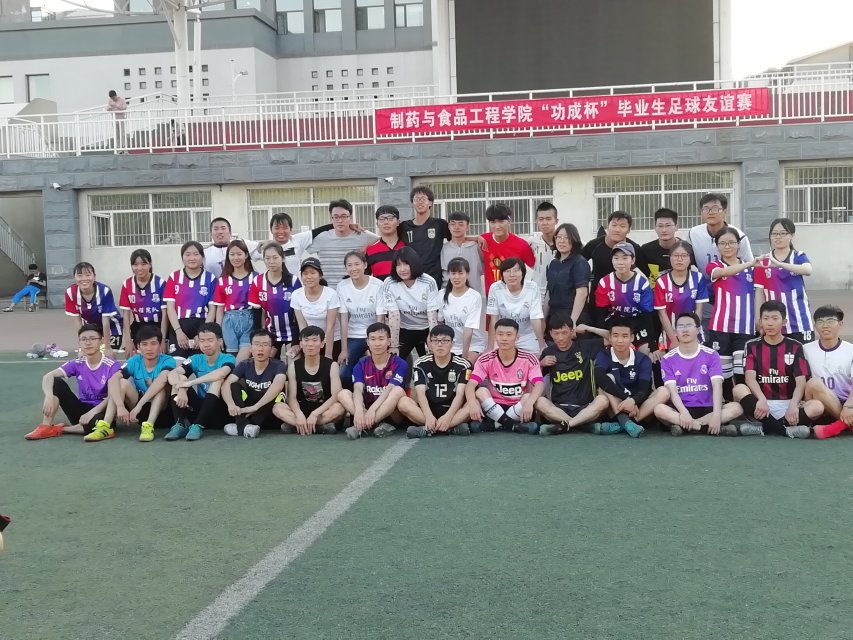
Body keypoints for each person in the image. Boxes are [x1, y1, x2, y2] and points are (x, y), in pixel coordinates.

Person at [732, 300, 821, 438]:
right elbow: (750, 378)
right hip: (761, 404)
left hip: (788, 403)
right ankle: (784, 430)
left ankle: (764, 428)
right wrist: (761, 399)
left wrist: (793, 405)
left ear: (784, 322)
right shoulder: (751, 346)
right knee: (738, 389)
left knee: (817, 406)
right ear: (760, 322)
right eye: (766, 318)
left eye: (775, 318)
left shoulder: (795, 346)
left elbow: (801, 382)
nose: (770, 323)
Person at [651, 312, 748, 436]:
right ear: (675, 332)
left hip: (708, 409)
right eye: (681, 326)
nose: (685, 329)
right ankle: (703, 428)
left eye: (689, 325)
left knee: (736, 408)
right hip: (681, 409)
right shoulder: (667, 358)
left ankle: (685, 427)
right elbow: (672, 390)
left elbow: (717, 386)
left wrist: (716, 415)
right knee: (659, 409)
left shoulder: (711, 354)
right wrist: (684, 413)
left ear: (698, 330)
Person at [25, 323, 120, 442]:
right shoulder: (77, 362)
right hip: (80, 410)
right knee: (55, 382)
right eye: (84, 339)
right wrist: (48, 396)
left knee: (99, 425)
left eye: (92, 339)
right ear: (79, 343)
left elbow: (113, 396)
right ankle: (46, 426)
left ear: (101, 341)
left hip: (102, 410)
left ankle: (63, 429)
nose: (88, 343)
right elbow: (48, 376)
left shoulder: (111, 365)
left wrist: (92, 412)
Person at [465, 318, 544, 434]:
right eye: (500, 334)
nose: (504, 338)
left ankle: (494, 425)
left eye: (509, 334)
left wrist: (530, 402)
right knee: (480, 391)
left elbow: (539, 384)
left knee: (528, 396)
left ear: (517, 337)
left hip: (518, 406)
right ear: (495, 336)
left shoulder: (529, 358)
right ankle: (514, 426)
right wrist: (472, 403)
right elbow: (470, 385)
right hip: (494, 407)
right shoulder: (485, 359)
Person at [534, 313, 609, 435]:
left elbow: (612, 337)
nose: (560, 338)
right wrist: (541, 364)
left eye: (564, 333)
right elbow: (535, 379)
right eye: (556, 333)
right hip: (559, 409)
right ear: (551, 333)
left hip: (586, 407)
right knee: (540, 402)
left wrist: (589, 328)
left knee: (602, 400)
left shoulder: (586, 346)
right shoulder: (548, 352)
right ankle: (583, 426)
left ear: (572, 332)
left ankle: (567, 425)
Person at [705, 227, 758, 387]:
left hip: (745, 327)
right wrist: (749, 263)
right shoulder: (713, 265)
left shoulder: (752, 269)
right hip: (721, 327)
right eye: (722, 243)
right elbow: (722, 272)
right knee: (724, 374)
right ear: (716, 246)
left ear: (739, 244)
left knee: (743, 371)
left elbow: (759, 294)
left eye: (731, 242)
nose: (727, 246)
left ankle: (744, 400)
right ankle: (728, 400)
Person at [399, 324, 473, 438]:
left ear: (452, 343)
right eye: (435, 340)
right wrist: (428, 416)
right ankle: (449, 429)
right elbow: (420, 393)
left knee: (473, 404)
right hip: (428, 410)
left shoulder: (464, 364)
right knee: (403, 402)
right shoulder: (420, 363)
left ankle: (430, 429)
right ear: (429, 343)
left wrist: (448, 417)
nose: (439, 344)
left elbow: (460, 395)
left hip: (454, 411)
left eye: (445, 340)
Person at [166, 322, 236, 441]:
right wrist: (182, 388)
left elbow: (221, 373)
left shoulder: (228, 358)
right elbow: (173, 373)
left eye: (210, 340)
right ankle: (180, 423)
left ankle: (198, 425)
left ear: (220, 341)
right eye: (202, 341)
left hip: (220, 410)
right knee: (180, 378)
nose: (206, 344)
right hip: (200, 408)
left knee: (218, 381)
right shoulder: (195, 359)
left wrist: (190, 383)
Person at [338, 322, 408, 439]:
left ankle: (362, 426)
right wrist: (359, 410)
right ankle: (367, 421)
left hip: (391, 412)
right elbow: (358, 389)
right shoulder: (361, 363)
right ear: (367, 342)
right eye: (373, 339)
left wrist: (373, 410)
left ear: (389, 341)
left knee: (397, 391)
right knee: (343, 394)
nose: (377, 343)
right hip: (368, 409)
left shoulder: (400, 363)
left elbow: (389, 389)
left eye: (381, 339)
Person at [108, 324, 176, 442]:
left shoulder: (168, 360)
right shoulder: (134, 361)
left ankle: (149, 426)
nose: (149, 348)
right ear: (138, 346)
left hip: (164, 413)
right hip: (140, 414)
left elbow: (162, 380)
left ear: (160, 345)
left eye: (153, 343)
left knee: (160, 387)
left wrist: (139, 405)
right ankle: (105, 426)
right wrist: (120, 406)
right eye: (144, 344)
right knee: (122, 382)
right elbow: (113, 379)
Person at [275, 326, 346, 435]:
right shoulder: (294, 366)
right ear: (301, 344)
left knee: (339, 408)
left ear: (322, 344)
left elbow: (335, 396)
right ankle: (317, 427)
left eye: (314, 340)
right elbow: (291, 397)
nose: (310, 344)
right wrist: (299, 414)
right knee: (278, 407)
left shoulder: (332, 365)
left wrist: (315, 414)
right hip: (303, 409)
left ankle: (299, 426)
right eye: (306, 340)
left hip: (324, 410)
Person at [754, 218, 814, 344]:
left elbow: (808, 270)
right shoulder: (763, 262)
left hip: (799, 320)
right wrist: (758, 319)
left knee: (803, 355)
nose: (778, 237)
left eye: (783, 233)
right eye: (774, 233)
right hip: (773, 323)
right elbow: (759, 292)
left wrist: (779, 264)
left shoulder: (798, 256)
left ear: (791, 235)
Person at [593, 317, 656, 437]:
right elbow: (599, 377)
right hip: (616, 407)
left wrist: (633, 401)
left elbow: (645, 388)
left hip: (638, 408)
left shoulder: (643, 359)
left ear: (632, 338)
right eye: (615, 336)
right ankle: (626, 422)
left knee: (663, 391)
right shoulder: (604, 355)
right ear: (610, 337)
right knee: (606, 379)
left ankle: (624, 425)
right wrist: (626, 398)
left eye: (625, 336)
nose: (620, 340)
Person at [221, 329, 287, 438]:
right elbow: (226, 384)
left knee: (277, 390)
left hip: (269, 412)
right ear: (251, 348)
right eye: (257, 344)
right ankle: (244, 425)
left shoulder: (279, 365)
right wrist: (230, 404)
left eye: (265, 345)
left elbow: (278, 386)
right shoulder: (244, 364)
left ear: (271, 349)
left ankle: (242, 427)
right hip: (249, 409)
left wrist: (256, 407)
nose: (260, 349)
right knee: (233, 385)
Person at [377, 247, 440, 360]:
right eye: (398, 265)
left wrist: (433, 339)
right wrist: (394, 345)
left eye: (406, 264)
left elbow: (432, 315)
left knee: (431, 362)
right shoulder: (389, 283)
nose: (402, 269)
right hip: (404, 329)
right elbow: (393, 315)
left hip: (426, 328)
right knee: (393, 361)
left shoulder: (428, 282)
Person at [593, 242, 654, 352]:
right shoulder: (605, 282)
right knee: (610, 349)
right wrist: (602, 337)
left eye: (625, 258)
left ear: (633, 260)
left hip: (637, 323)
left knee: (644, 351)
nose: (620, 262)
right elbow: (600, 313)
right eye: (616, 258)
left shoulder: (642, 282)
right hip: (615, 323)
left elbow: (647, 315)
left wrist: (652, 344)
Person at [803, 306, 853, 439]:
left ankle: (836, 427)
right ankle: (846, 424)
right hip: (820, 404)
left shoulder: (851, 350)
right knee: (814, 383)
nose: (825, 326)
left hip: (847, 404)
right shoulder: (805, 349)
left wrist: (849, 406)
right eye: (820, 322)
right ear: (815, 326)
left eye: (830, 321)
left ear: (840, 324)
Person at [304, 199, 378, 287]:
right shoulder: (322, 238)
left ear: (350, 218)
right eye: (336, 217)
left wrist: (367, 247)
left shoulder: (363, 236)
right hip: (329, 290)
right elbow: (298, 244)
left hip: (353, 290)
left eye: (344, 216)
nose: (340, 220)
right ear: (331, 219)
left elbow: (385, 240)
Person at [164, 241, 217, 359]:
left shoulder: (211, 278)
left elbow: (212, 309)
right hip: (179, 325)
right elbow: (170, 308)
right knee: (177, 364)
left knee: (200, 364)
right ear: (182, 258)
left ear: (202, 257)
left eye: (196, 254)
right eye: (188, 254)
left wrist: (202, 334)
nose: (192, 258)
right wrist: (178, 332)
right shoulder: (174, 277)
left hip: (202, 325)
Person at [249, 242, 302, 359]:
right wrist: (259, 338)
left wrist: (296, 340)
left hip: (292, 334)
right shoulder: (258, 281)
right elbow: (257, 313)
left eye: (275, 257)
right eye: (267, 258)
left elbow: (299, 313)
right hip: (270, 335)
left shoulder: (293, 281)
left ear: (283, 258)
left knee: (293, 365)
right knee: (266, 364)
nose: (271, 262)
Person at [653, 240, 710, 350]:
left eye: (684, 256)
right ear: (670, 258)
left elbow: (699, 310)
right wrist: (674, 340)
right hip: (670, 333)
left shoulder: (698, 278)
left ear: (690, 259)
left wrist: (693, 334)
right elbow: (662, 314)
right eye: (676, 255)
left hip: (694, 331)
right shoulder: (661, 281)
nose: (679, 259)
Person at [336, 251, 382, 383]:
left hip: (374, 334)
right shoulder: (342, 286)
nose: (354, 268)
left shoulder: (378, 285)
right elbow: (343, 320)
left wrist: (376, 340)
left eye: (357, 264)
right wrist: (344, 350)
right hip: (354, 334)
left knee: (378, 370)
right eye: (349, 265)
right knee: (343, 373)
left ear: (365, 265)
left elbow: (380, 318)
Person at [486, 257, 545, 354]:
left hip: (527, 336)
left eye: (516, 270)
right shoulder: (495, 288)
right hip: (505, 335)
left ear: (523, 273)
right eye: (507, 271)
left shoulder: (532, 287)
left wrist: (541, 345)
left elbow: (536, 319)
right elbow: (494, 319)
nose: (512, 275)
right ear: (502, 274)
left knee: (538, 357)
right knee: (496, 357)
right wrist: (490, 347)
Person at [64, 261, 122, 358]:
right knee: (89, 356)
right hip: (90, 327)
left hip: (111, 326)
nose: (84, 279)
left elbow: (105, 321)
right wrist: (81, 348)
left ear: (94, 276)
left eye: (88, 275)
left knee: (108, 357)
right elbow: (78, 321)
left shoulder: (105, 291)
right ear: (74, 277)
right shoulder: (70, 293)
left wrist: (107, 347)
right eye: (80, 275)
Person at [211, 239, 256, 362]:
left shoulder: (256, 277)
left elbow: (261, 307)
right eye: (232, 254)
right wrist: (218, 333)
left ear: (246, 255)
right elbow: (219, 308)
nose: (236, 258)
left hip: (249, 320)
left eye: (239, 254)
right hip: (229, 321)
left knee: (241, 359)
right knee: (231, 358)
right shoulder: (223, 280)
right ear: (228, 257)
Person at [688, 193, 754, 276]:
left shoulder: (739, 236)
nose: (710, 212)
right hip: (703, 282)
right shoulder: (693, 233)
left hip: (731, 281)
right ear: (701, 212)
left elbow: (749, 264)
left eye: (715, 208)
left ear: (725, 211)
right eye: (706, 209)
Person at [583, 211, 650, 289]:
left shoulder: (634, 248)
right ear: (608, 227)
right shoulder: (594, 245)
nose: (617, 230)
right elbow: (577, 262)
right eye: (614, 225)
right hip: (598, 291)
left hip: (625, 292)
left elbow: (648, 273)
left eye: (622, 226)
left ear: (628, 230)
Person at [118, 249, 167, 357]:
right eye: (135, 264)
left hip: (158, 327)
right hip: (138, 327)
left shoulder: (160, 283)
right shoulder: (127, 284)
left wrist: (163, 339)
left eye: (143, 264)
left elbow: (165, 314)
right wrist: (128, 341)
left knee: (158, 358)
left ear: (150, 264)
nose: (139, 268)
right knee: (134, 358)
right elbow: (126, 316)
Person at [291, 257, 341, 360]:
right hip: (311, 340)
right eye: (305, 274)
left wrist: (328, 355)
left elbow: (330, 327)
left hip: (332, 340)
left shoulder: (331, 294)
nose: (309, 277)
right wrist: (307, 348)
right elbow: (302, 326)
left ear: (320, 275)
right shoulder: (296, 295)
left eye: (313, 273)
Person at [438, 257, 486, 363]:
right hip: (450, 344)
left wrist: (464, 357)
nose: (456, 277)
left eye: (460, 273)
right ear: (448, 275)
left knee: (464, 370)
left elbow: (468, 329)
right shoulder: (442, 294)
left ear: (467, 274)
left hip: (472, 345)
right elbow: (440, 323)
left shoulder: (474, 296)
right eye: (453, 273)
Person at [400, 186, 450, 286]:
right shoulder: (404, 226)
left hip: (434, 277)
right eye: (416, 199)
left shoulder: (440, 224)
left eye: (423, 199)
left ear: (430, 203)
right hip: (412, 278)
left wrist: (476, 238)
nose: (420, 202)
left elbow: (457, 238)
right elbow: (388, 238)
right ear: (412, 203)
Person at [481, 203, 536, 295]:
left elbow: (535, 268)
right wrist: (474, 238)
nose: (497, 226)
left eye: (501, 221)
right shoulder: (483, 241)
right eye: (493, 222)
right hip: (492, 297)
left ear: (509, 221)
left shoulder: (522, 245)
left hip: (516, 296)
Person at [546, 223, 590, 325]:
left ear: (574, 240)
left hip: (572, 315)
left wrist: (572, 322)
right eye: (559, 237)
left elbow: (582, 293)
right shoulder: (553, 263)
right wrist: (543, 320)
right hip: (554, 316)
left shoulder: (579, 262)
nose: (562, 241)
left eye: (567, 237)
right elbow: (549, 294)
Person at [642, 208, 693, 287]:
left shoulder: (688, 248)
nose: (664, 230)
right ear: (655, 228)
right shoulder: (645, 250)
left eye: (668, 225)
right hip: (656, 292)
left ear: (676, 227)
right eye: (660, 226)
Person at [441, 211, 486, 298]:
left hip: (473, 295)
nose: (456, 227)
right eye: (453, 224)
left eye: (461, 224)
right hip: (449, 295)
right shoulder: (443, 248)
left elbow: (482, 268)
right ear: (449, 226)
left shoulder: (476, 247)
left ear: (467, 227)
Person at [365, 205, 405, 280]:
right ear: (377, 224)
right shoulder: (370, 251)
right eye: (382, 219)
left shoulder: (407, 247)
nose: (386, 222)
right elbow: (365, 278)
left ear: (398, 222)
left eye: (390, 218)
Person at [528, 201, 558, 301]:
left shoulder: (567, 241)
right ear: (536, 221)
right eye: (541, 219)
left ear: (556, 221)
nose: (544, 223)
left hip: (561, 294)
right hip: (537, 294)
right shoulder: (531, 243)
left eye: (548, 219)